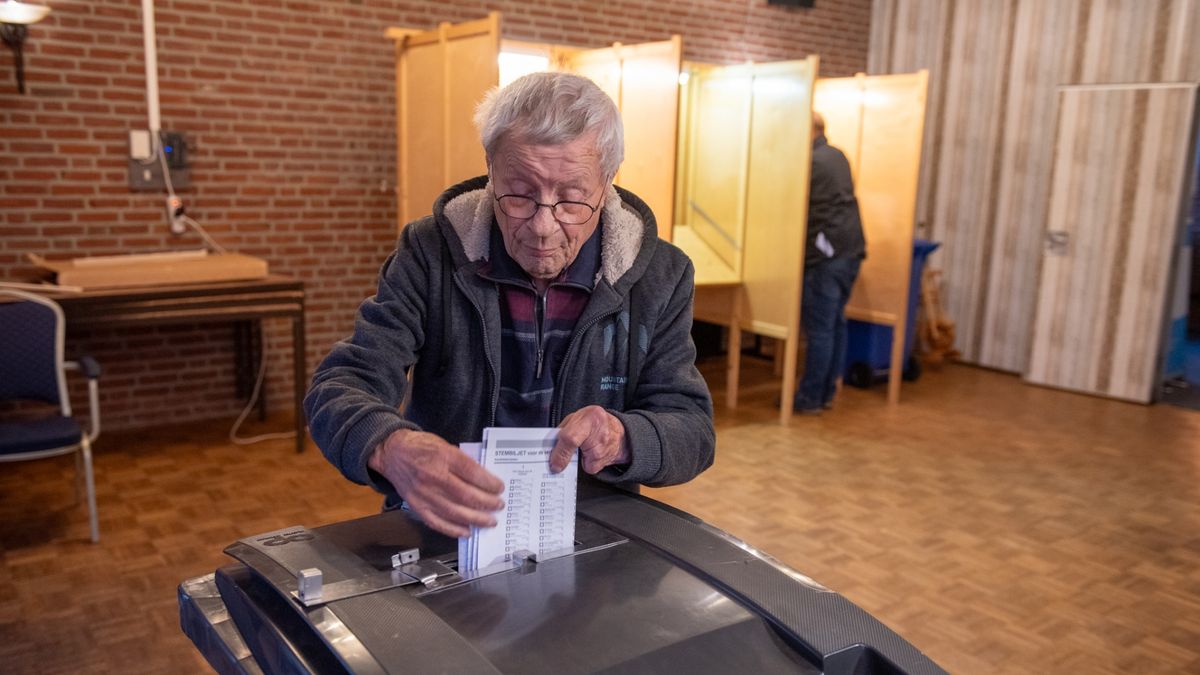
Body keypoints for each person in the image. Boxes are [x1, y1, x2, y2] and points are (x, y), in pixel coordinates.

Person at [304, 72, 715, 537]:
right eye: (519, 194)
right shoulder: (430, 252)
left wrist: (622, 437)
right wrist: (389, 445)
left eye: (571, 200)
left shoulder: (659, 275)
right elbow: (340, 384)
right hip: (445, 527)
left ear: (607, 183)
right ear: (490, 168)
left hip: (590, 533)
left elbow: (693, 431)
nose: (542, 227)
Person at [794, 111, 866, 414]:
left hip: (827, 256)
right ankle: (825, 394)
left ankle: (810, 398)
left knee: (821, 329)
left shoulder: (812, 162)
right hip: (850, 250)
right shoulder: (837, 155)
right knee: (835, 325)